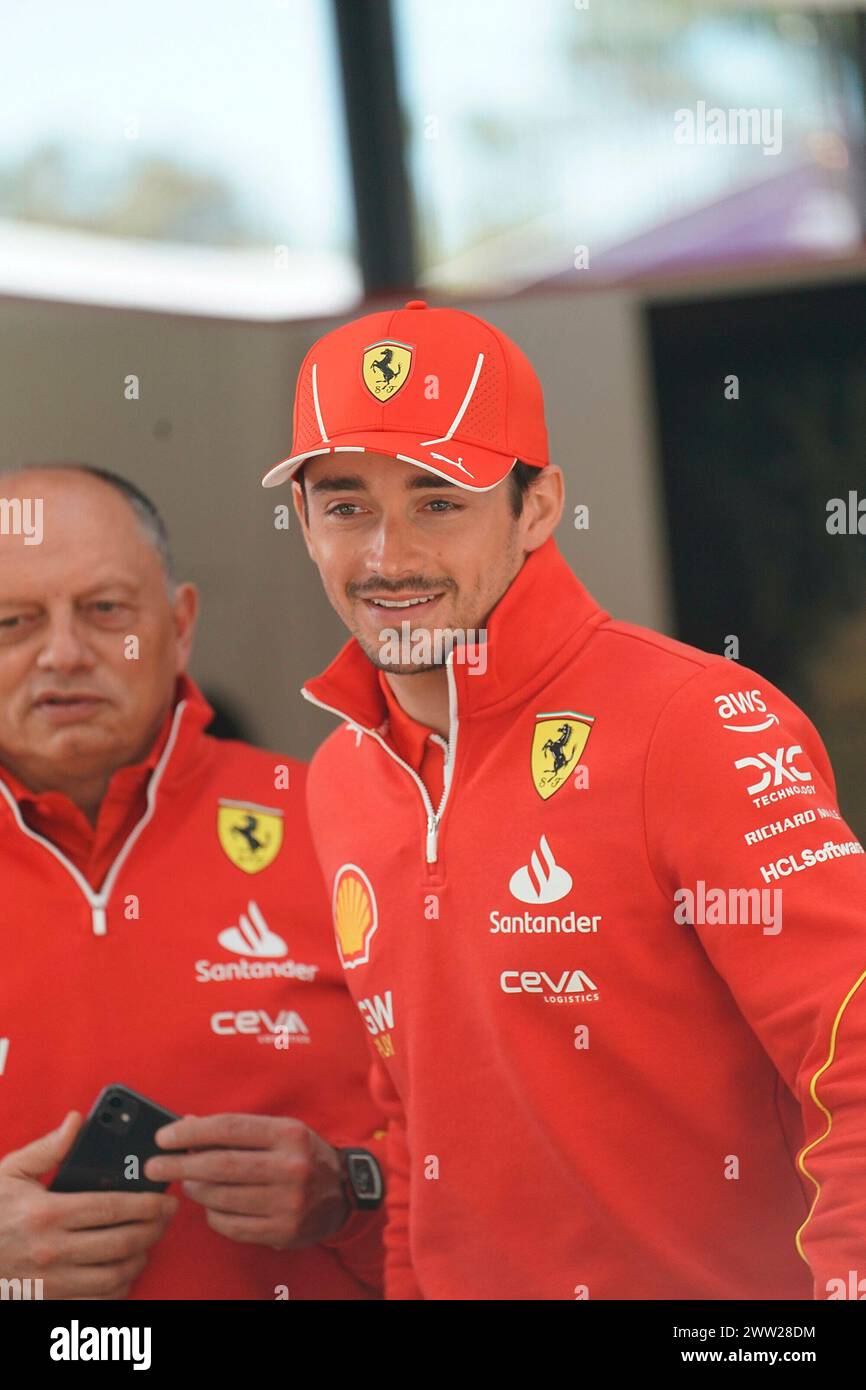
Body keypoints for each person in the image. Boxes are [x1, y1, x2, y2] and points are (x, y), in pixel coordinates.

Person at [261, 298, 866, 1300]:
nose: (386, 555)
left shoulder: (694, 720)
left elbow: (852, 1045)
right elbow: (418, 1122)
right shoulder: (342, 776)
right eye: (345, 504)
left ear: (537, 504)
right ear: (303, 522)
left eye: (437, 500)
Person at [0, 464, 386, 1300]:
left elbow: (509, 1163)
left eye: (106, 611)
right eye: (13, 622)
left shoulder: (345, 822)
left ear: (179, 625)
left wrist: (352, 1190)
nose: (63, 653)